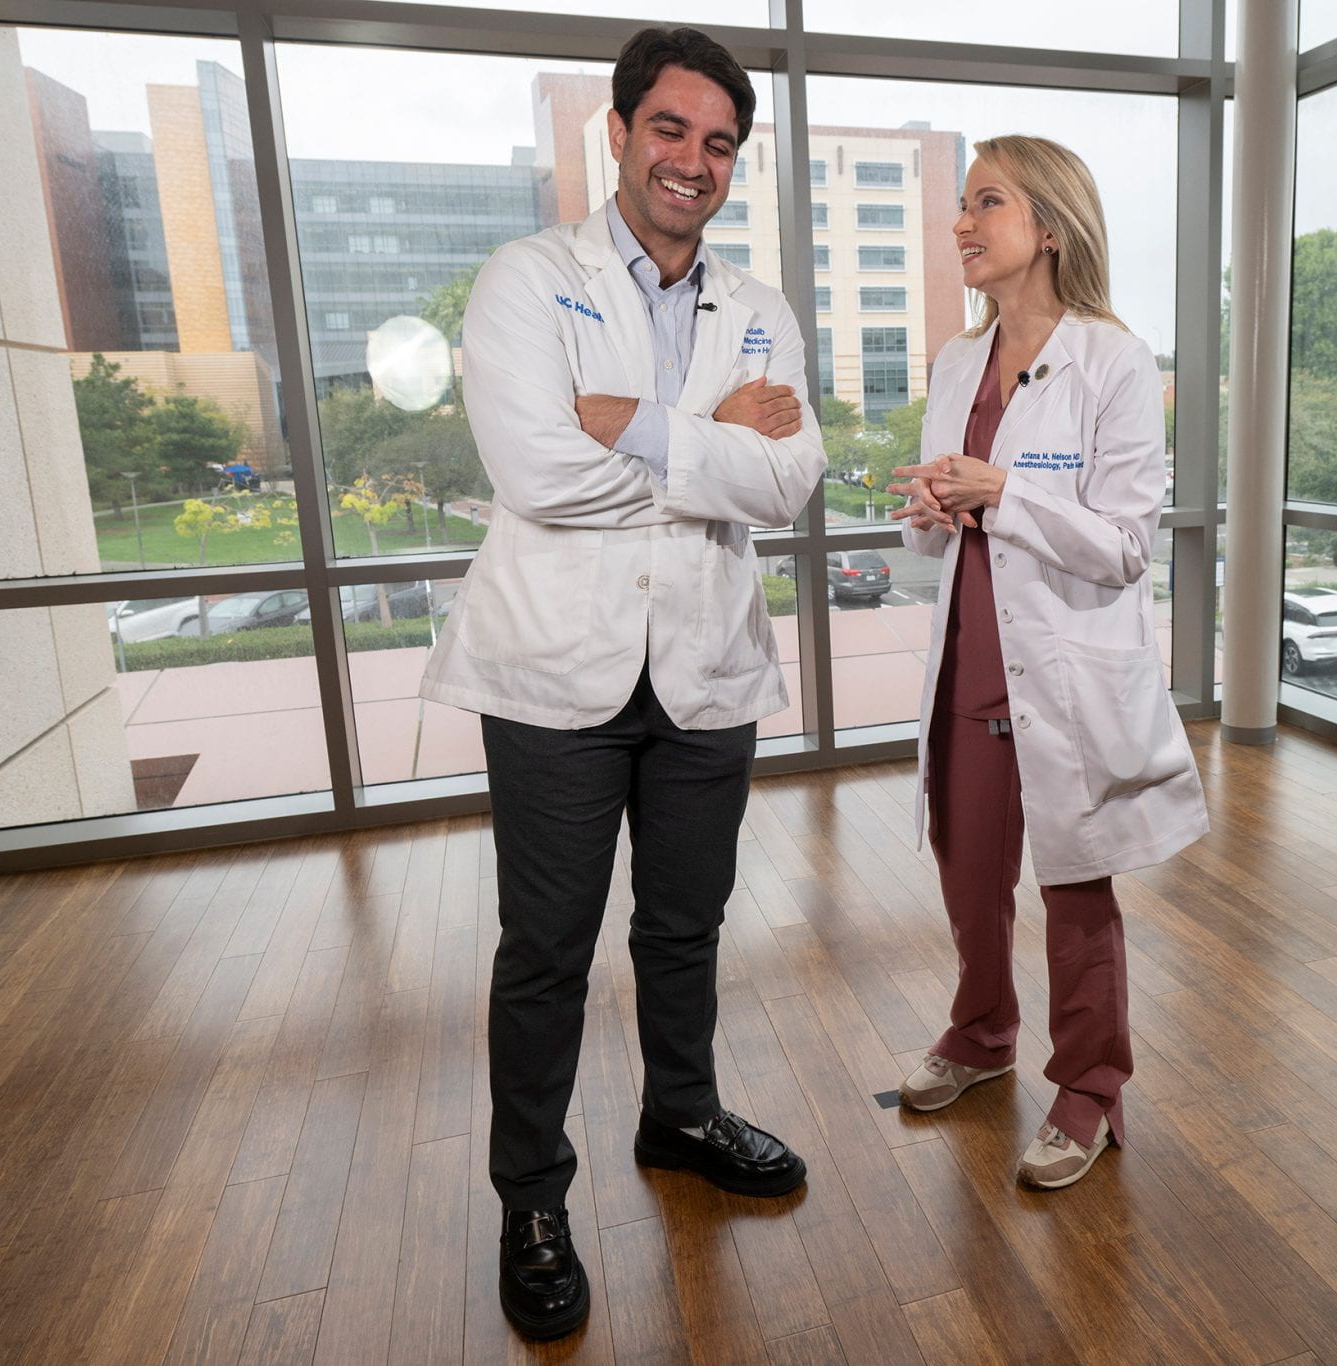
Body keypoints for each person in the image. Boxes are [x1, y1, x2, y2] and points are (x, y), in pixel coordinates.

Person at [419, 27, 825, 1340]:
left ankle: (680, 1115)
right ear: (619, 130)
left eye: (719, 143)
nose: (691, 160)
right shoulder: (530, 280)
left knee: (685, 924)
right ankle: (532, 1197)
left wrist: (633, 425)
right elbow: (538, 473)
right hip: (555, 676)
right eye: (670, 128)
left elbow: (791, 481)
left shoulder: (760, 310)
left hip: (704, 665)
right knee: (546, 948)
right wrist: (712, 446)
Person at [888, 136, 1208, 1190]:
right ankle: (982, 1035)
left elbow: (1124, 545)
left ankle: (1090, 1087)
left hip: (1065, 680)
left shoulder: (1113, 361)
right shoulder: (955, 361)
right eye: (962, 204)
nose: (962, 224)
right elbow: (933, 543)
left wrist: (1002, 493)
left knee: (1075, 894)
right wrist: (930, 511)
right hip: (968, 668)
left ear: (1051, 227)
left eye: (986, 202)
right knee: (968, 875)